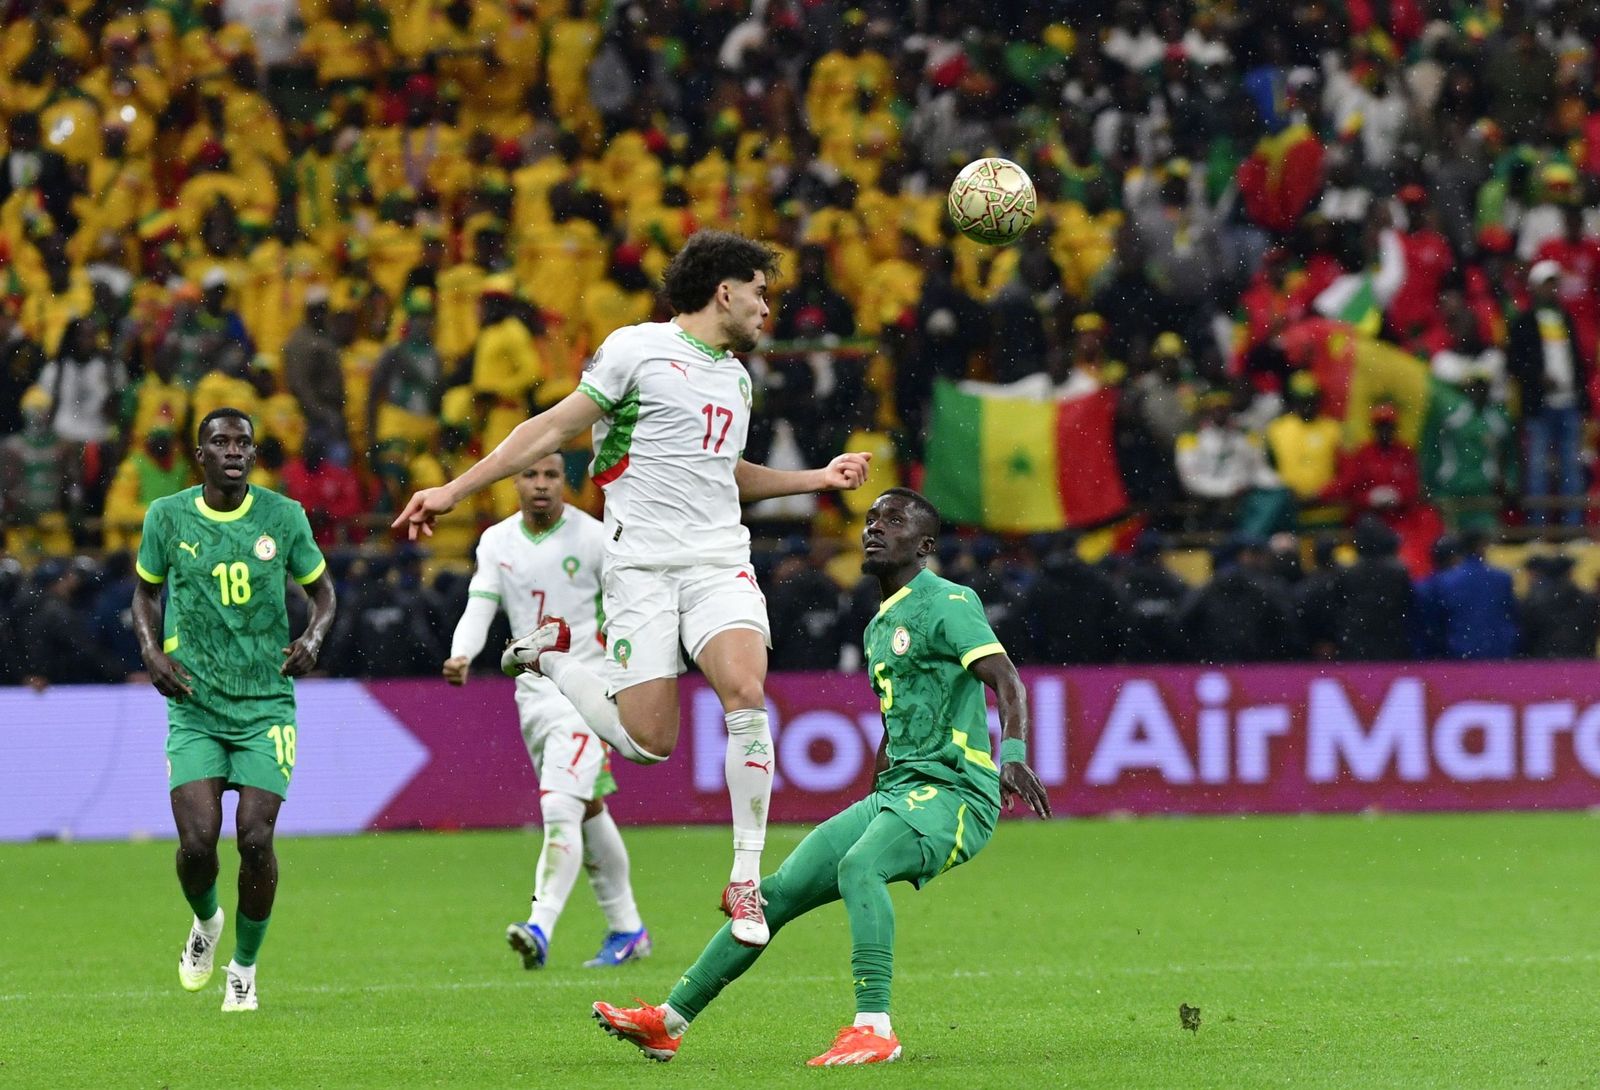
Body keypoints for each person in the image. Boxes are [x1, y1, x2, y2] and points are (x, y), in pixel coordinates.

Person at [394, 231, 871, 946]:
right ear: (725, 291)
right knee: (649, 743)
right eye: (761, 293)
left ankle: (746, 879)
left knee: (745, 690)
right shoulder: (634, 351)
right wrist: (456, 491)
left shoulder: (737, 377)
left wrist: (815, 479)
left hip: (718, 561)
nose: (767, 308)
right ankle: (551, 661)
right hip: (641, 570)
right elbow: (550, 427)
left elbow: (724, 474)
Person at [591, 488, 1051, 1066]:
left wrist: (1011, 753)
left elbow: (1007, 680)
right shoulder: (879, 624)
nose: (875, 527)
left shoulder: (948, 600)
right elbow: (901, 718)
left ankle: (874, 1027)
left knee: (862, 866)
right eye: (872, 517)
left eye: (895, 520)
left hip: (958, 792)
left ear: (926, 545)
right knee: (772, 895)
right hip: (899, 792)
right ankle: (670, 1020)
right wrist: (877, 796)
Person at [132, 408, 337, 1012]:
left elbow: (322, 593)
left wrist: (313, 638)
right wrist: (150, 653)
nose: (233, 450)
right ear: (201, 455)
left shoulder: (283, 516)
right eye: (220, 441)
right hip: (194, 703)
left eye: (243, 442)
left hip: (265, 705)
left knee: (254, 837)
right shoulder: (166, 518)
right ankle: (206, 923)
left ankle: (243, 969)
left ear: (253, 453)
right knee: (198, 844)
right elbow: (145, 593)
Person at [441, 453, 649, 970]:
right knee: (587, 809)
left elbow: (633, 608)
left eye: (551, 475)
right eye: (530, 475)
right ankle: (628, 929)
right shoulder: (496, 541)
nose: (540, 485)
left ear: (565, 481)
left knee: (560, 806)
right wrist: (462, 651)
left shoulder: (597, 537)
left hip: (588, 694)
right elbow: (480, 605)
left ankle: (541, 924)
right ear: (515, 481)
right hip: (532, 697)